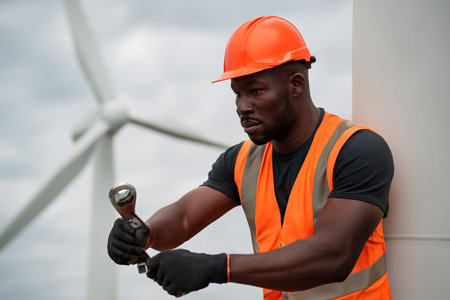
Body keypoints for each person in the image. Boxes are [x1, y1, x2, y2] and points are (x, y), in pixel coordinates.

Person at [107, 16, 394, 299]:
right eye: (237, 94)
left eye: (256, 91)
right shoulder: (241, 161)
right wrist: (144, 233)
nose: (242, 107)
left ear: (296, 85)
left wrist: (218, 267)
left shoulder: (357, 149)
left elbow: (333, 255)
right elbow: (183, 218)